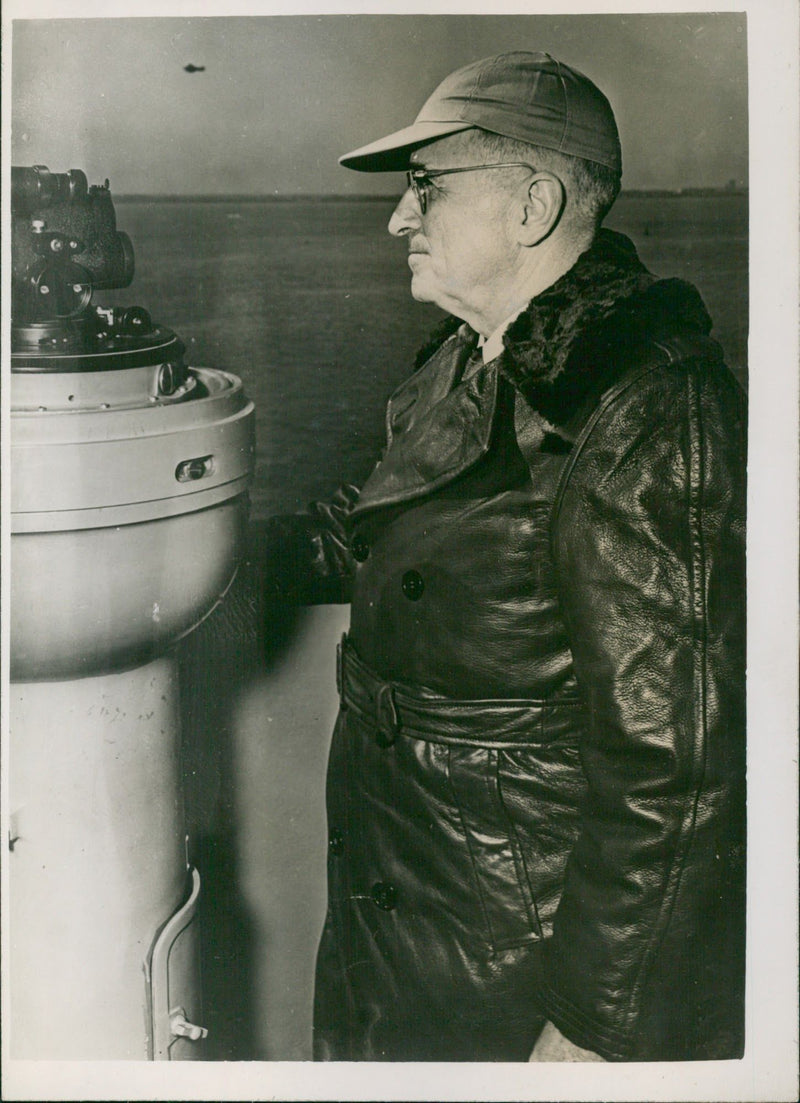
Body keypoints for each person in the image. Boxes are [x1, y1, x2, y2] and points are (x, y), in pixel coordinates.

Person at [260, 51, 746, 1062]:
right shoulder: (472, 351)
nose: (398, 218)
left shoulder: (640, 402)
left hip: (514, 951)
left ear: (530, 204)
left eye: (425, 187)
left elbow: (675, 759)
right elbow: (385, 516)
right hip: (410, 894)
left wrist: (592, 1023)